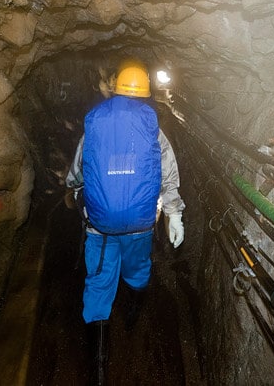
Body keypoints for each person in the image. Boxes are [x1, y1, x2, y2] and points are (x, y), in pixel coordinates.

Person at [65, 59, 186, 385]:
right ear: (144, 94)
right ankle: (133, 314)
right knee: (137, 270)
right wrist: (174, 214)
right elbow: (167, 174)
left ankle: (100, 372)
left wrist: (74, 190)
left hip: (99, 227)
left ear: (115, 88)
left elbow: (78, 172)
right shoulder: (152, 130)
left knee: (99, 287)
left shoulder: (95, 124)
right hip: (140, 224)